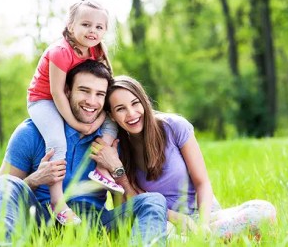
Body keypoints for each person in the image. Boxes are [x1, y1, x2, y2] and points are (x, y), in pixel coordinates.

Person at [0, 60, 168, 246]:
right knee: (7, 181)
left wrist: (116, 171)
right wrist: (36, 179)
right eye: (84, 90)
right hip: (44, 222)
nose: (92, 101)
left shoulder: (112, 139)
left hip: (96, 224)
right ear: (67, 91)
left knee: (154, 201)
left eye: (99, 94)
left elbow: (122, 204)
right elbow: (4, 191)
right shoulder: (31, 132)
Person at [90, 75, 277, 240]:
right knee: (158, 236)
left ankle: (205, 240)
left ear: (144, 102)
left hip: (205, 216)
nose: (131, 114)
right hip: (164, 223)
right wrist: (118, 172)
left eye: (135, 103)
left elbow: (202, 182)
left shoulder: (174, 127)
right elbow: (129, 207)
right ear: (112, 116)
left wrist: (202, 226)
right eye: (120, 109)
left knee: (263, 210)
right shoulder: (117, 148)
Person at [26, 0, 123, 225]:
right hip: (44, 100)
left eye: (99, 27)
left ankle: (102, 168)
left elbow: (105, 80)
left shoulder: (97, 49)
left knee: (112, 121)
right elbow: (57, 93)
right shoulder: (61, 51)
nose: (93, 31)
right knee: (58, 142)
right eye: (86, 24)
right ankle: (57, 202)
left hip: (74, 98)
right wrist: (79, 124)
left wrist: (102, 115)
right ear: (71, 25)